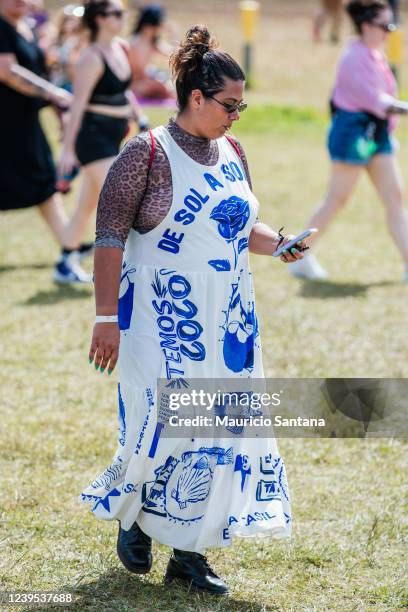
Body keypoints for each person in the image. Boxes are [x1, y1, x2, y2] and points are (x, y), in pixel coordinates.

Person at [81, 25, 307, 595]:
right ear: (197, 97)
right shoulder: (146, 153)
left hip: (227, 318)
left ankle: (188, 558)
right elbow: (108, 236)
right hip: (158, 318)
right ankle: (134, 516)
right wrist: (104, 317)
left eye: (243, 104)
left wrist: (276, 242)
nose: (238, 115)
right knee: (161, 428)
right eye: (230, 105)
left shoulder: (233, 150)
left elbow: (238, 222)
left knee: (217, 434)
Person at [291, 0, 408, 282]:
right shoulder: (353, 58)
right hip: (352, 134)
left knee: (395, 197)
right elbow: (375, 99)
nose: (390, 31)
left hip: (376, 134)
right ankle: (298, 256)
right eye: (386, 25)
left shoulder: (374, 54)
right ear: (367, 26)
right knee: (337, 199)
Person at [0, 0, 92, 282]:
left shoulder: (25, 28)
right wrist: (53, 93)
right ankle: (70, 244)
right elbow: (7, 71)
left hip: (24, 124)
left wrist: (58, 110)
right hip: (5, 127)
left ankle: (69, 243)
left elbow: (39, 73)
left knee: (43, 184)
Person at [57, 0, 148, 284]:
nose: (123, 17)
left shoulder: (120, 47)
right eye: (116, 13)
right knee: (126, 196)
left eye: (122, 12)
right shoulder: (90, 57)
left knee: (87, 203)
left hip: (115, 134)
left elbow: (125, 91)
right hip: (92, 138)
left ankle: (64, 262)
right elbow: (77, 105)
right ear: (99, 19)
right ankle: (133, 267)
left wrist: (139, 115)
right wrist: (68, 151)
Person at [128, 4, 175, 100]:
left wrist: (173, 35)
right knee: (163, 87)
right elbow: (136, 73)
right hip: (134, 85)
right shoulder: (135, 43)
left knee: (169, 86)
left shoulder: (152, 42)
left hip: (145, 81)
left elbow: (173, 54)